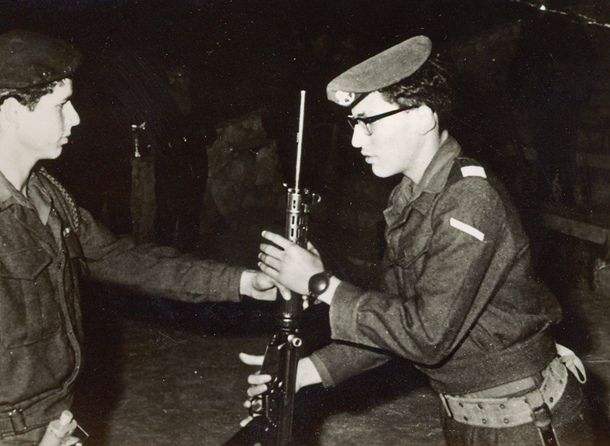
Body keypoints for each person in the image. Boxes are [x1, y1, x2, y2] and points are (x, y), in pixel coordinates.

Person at [0, 29, 275, 445]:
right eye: (61, 105)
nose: (76, 118)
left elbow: (120, 258)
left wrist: (241, 282)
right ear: (12, 112)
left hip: (59, 422)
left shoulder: (42, 191)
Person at [249, 36, 595, 445]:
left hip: (527, 424)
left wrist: (320, 283)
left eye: (369, 121)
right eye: (353, 124)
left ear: (423, 117)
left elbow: (427, 335)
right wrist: (307, 371)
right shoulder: (410, 199)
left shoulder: (469, 198)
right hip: (474, 419)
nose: (357, 140)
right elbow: (397, 317)